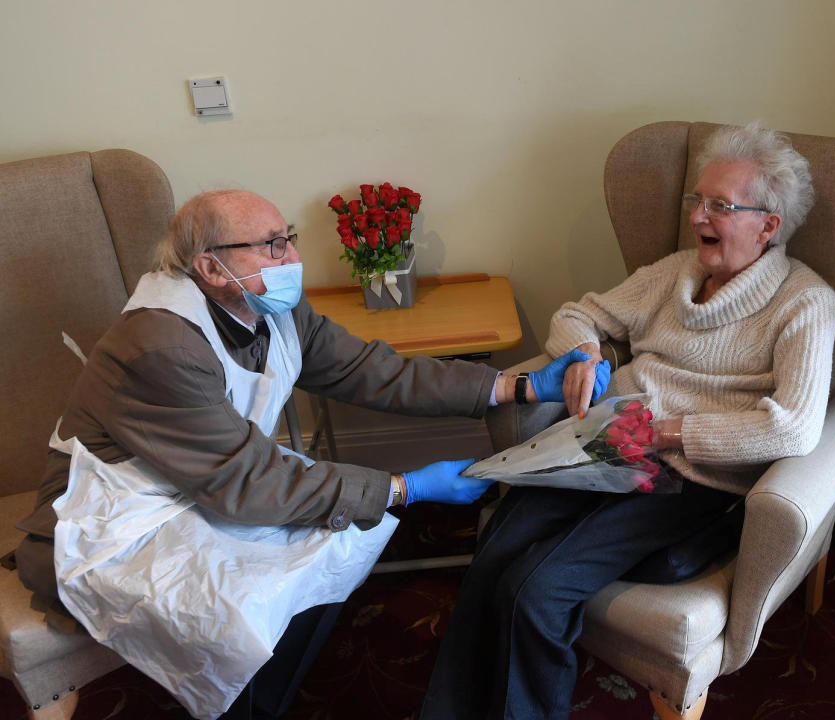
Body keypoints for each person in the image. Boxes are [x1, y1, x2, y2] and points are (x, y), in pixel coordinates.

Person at [13, 189, 609, 719]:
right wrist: (405, 487)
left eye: (288, 240)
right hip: (111, 515)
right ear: (210, 267)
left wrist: (516, 386)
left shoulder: (273, 308)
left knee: (338, 537)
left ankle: (270, 696)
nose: (291, 260)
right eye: (271, 246)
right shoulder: (160, 346)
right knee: (241, 601)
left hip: (208, 479)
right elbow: (245, 483)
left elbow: (367, 370)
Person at [420, 122, 835, 719]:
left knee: (536, 591)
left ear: (768, 225)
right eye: (697, 200)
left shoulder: (806, 303)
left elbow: (794, 426)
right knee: (493, 552)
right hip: (599, 446)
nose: (699, 217)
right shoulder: (674, 273)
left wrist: (669, 433)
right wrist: (586, 356)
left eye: (720, 206)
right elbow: (579, 313)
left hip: (687, 479)